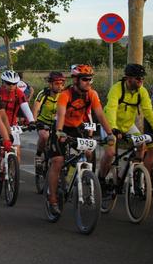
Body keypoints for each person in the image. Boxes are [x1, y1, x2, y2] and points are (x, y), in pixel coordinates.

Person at [47, 64, 115, 214]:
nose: (88, 82)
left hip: (78, 128)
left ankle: (83, 177)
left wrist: (110, 134)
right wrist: (59, 132)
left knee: (89, 154)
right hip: (61, 128)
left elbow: (100, 115)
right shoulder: (65, 94)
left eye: (90, 79)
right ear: (76, 80)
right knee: (58, 161)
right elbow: (61, 115)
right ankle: (52, 199)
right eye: (85, 79)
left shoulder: (92, 94)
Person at [99, 63, 153, 190]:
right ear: (128, 78)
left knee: (141, 144)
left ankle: (135, 174)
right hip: (109, 124)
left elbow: (148, 112)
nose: (141, 80)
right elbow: (111, 109)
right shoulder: (117, 89)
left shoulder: (142, 91)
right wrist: (113, 128)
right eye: (138, 78)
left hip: (128, 125)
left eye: (142, 78)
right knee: (110, 153)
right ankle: (101, 179)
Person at [0, 70, 35, 160]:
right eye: (8, 83)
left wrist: (31, 121)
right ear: (3, 83)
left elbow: (25, 107)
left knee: (17, 153)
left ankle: (15, 173)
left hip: (12, 125)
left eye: (14, 84)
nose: (11, 86)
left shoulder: (19, 93)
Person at [32, 71, 66, 169]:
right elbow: (36, 108)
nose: (60, 86)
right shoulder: (43, 94)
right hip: (43, 121)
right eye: (57, 84)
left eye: (62, 84)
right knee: (44, 136)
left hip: (57, 123)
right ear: (50, 84)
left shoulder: (64, 94)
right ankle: (38, 155)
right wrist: (33, 122)